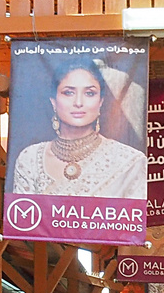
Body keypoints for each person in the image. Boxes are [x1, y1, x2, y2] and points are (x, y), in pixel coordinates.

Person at [11, 56, 146, 200]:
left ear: (100, 102)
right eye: (69, 92)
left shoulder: (128, 162)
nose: (78, 102)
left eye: (89, 93)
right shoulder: (30, 159)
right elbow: (23, 220)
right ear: (53, 102)